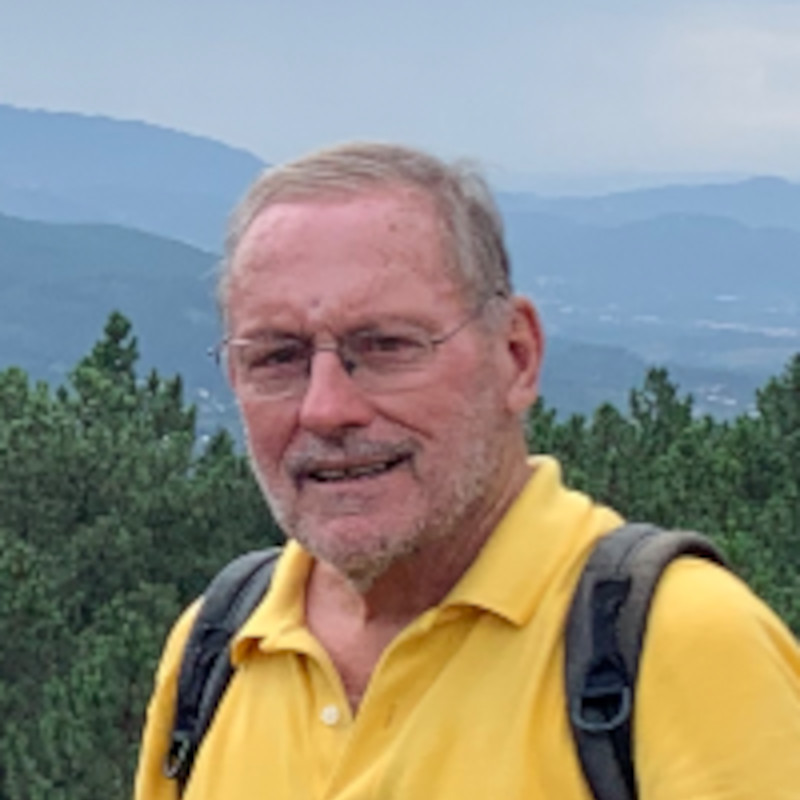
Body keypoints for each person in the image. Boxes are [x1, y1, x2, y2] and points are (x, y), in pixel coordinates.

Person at [135, 142, 800, 799]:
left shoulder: (681, 647)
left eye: (387, 346)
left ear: (516, 355)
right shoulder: (216, 650)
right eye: (278, 358)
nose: (326, 408)